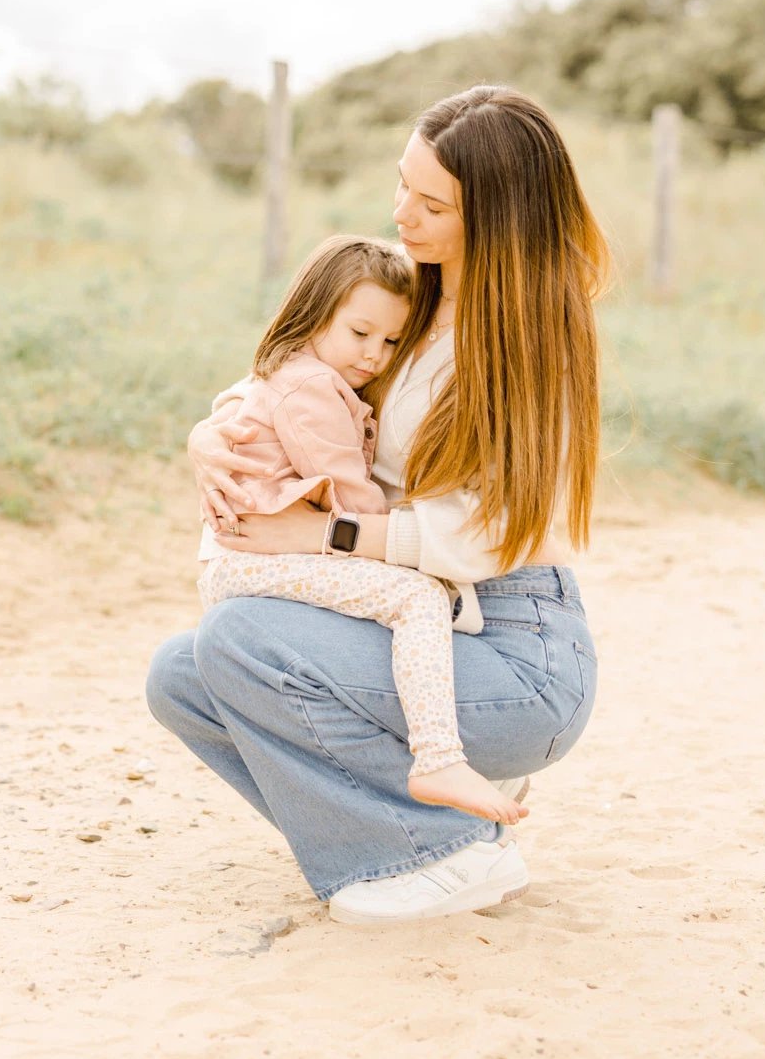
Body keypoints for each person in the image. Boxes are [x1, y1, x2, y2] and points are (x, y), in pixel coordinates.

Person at [147, 84, 606, 926]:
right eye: (402, 183)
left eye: (432, 203)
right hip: (415, 622)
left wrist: (321, 531)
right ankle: (437, 834)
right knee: (182, 675)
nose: (402, 212)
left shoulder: (526, 341)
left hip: (509, 645)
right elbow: (294, 383)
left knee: (242, 638)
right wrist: (206, 436)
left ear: (497, 221)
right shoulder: (411, 301)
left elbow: (482, 537)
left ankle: (429, 851)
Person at [196, 233, 526, 827]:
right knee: (416, 595)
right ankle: (439, 757)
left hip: (247, 557)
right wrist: (396, 542)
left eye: (392, 340)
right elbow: (347, 488)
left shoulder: (304, 376)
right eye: (360, 333)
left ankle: (443, 768)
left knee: (397, 604)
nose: (375, 354)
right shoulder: (313, 388)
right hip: (252, 557)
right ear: (315, 313)